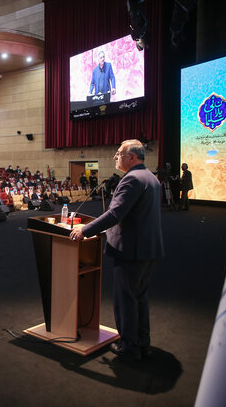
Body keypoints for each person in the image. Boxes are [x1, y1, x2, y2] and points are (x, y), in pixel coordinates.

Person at [70, 139, 164, 360]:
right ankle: (142, 342)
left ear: (132, 157)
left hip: (131, 250)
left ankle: (129, 347)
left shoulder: (131, 180)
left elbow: (115, 214)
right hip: (148, 248)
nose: (115, 157)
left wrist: (86, 230)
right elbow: (136, 215)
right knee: (139, 297)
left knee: (126, 300)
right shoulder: (150, 177)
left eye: (119, 153)